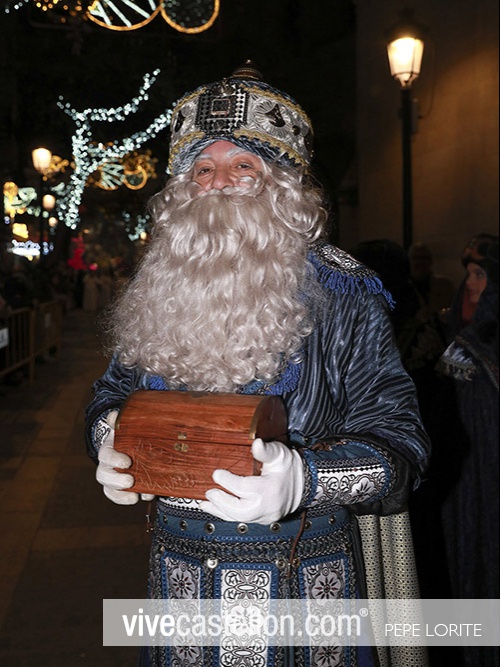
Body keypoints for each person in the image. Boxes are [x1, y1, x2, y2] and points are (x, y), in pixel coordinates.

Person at [85, 62, 430, 667]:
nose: (219, 183)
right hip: (179, 582)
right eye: (203, 169)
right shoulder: (156, 287)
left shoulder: (345, 293)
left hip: (308, 583)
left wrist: (306, 479)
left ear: (282, 186)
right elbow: (111, 393)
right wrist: (109, 438)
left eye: (243, 166)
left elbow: (403, 444)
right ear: (182, 190)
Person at [408, 242, 455, 322]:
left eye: (424, 258)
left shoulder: (446, 286)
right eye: (415, 258)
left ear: (431, 261)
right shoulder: (401, 289)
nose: (420, 262)